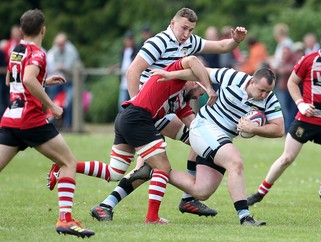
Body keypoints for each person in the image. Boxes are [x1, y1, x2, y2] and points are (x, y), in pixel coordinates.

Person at [63, 7, 246, 221]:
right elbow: (133, 71)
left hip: (166, 106)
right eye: (183, 28)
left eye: (191, 29)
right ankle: (173, 205)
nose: (186, 33)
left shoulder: (189, 44)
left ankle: (107, 204)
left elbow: (223, 46)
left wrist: (235, 40)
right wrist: (137, 104)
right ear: (172, 23)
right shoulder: (158, 42)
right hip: (149, 111)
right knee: (172, 157)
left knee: (192, 138)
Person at [68, 56, 215, 223]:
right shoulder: (175, 77)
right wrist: (209, 87)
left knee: (115, 172)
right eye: (200, 93)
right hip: (138, 117)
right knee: (162, 167)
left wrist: (218, 141)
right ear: (196, 82)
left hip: (128, 117)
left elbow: (195, 129)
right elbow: (193, 60)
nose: (198, 97)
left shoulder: (182, 103)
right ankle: (153, 217)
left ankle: (67, 168)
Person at [135, 65, 284, 226]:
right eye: (262, 90)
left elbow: (279, 129)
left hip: (221, 139)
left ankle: (153, 170)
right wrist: (171, 74)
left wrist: (254, 128)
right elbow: (200, 71)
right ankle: (245, 217)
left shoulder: (269, 99)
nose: (264, 95)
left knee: (202, 190)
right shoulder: (233, 77)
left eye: (268, 91)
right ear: (252, 81)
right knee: (235, 161)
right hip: (203, 127)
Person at [0, 9, 94, 237]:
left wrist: (44, 80)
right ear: (43, 29)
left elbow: (10, 80)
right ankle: (65, 220)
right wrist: (52, 105)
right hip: (31, 120)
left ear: (22, 30)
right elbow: (27, 79)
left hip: (11, 118)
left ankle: (66, 219)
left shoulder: (16, 50)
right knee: (68, 162)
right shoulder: (38, 53)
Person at [247, 24, 321, 207]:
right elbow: (292, 83)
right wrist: (301, 104)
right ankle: (260, 193)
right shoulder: (308, 60)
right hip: (306, 119)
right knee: (286, 158)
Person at [46, 32, 80, 130]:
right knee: (53, 99)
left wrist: (61, 67)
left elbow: (67, 67)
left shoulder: (71, 51)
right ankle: (55, 123)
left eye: (61, 44)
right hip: (64, 79)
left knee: (69, 103)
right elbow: (57, 64)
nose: (59, 46)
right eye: (58, 44)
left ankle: (68, 125)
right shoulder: (56, 49)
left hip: (73, 80)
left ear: (65, 42)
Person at [117, 31, 138, 111]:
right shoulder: (123, 51)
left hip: (132, 81)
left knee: (133, 104)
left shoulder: (136, 51)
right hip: (123, 82)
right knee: (121, 105)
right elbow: (123, 63)